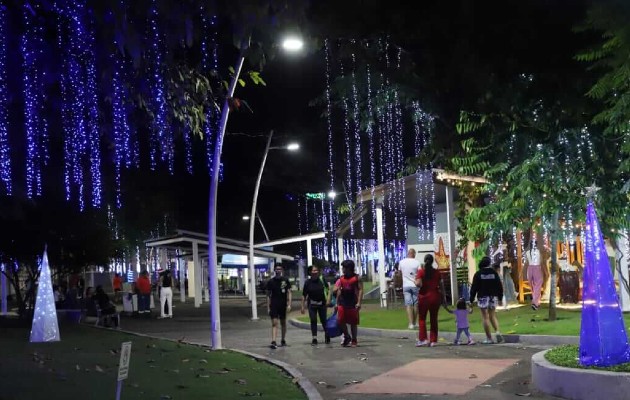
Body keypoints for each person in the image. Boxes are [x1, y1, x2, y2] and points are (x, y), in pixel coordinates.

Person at [470, 257, 504, 344]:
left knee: (485, 317)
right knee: (492, 315)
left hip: (482, 297)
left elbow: (474, 288)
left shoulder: (478, 274)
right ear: (489, 264)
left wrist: (471, 299)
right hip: (493, 296)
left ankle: (489, 338)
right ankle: (497, 332)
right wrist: (500, 298)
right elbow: (499, 286)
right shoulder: (494, 273)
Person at [415, 254, 443, 347]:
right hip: (435, 297)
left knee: (422, 318)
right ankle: (433, 340)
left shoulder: (421, 272)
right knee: (434, 319)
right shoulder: (437, 272)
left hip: (424, 298)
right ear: (432, 261)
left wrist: (415, 282)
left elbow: (418, 284)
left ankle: (423, 339)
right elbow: (441, 285)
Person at [335, 259, 363, 347]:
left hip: (353, 303)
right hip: (343, 302)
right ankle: (347, 336)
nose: (343, 269)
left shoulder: (356, 278)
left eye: (344, 267)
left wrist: (359, 302)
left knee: (353, 322)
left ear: (349, 268)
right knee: (340, 320)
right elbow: (339, 290)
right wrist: (337, 302)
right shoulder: (342, 278)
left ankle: (354, 339)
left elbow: (361, 290)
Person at [301, 266, 331, 345]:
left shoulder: (322, 279)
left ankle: (327, 334)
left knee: (323, 320)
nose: (315, 272)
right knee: (313, 320)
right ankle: (314, 338)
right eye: (313, 270)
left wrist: (328, 299)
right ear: (310, 272)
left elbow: (328, 290)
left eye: (316, 270)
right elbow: (304, 295)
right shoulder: (307, 282)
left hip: (322, 304)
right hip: (312, 304)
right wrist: (302, 306)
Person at [266, 265, 292, 349]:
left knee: (283, 323)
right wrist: (268, 307)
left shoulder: (285, 280)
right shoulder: (271, 281)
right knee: (274, 323)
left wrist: (289, 304)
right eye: (277, 269)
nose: (278, 270)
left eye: (280, 269)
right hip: (274, 304)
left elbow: (289, 292)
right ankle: (273, 341)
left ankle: (283, 339)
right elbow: (268, 295)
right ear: (274, 270)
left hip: (283, 304)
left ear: (282, 270)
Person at [399, 249, 421, 329]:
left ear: (408, 253)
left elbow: (399, 273)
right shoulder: (417, 262)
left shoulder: (401, 262)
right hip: (415, 285)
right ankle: (415, 322)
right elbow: (419, 274)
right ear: (414, 254)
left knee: (408, 304)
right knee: (415, 304)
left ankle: (411, 323)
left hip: (406, 285)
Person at [526, 241, 543, 310]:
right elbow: (541, 260)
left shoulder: (527, 252)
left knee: (533, 286)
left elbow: (527, 262)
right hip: (537, 268)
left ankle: (537, 302)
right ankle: (535, 303)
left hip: (530, 269)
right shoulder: (538, 251)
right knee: (538, 286)